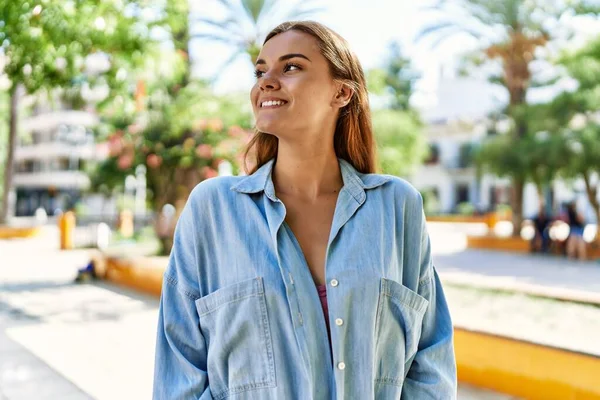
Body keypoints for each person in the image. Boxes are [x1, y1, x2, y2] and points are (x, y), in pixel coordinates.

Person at [153, 21, 457, 399]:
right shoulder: (212, 210)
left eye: (291, 67)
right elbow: (179, 372)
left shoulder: (398, 207)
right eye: (260, 71)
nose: (266, 81)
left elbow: (432, 364)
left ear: (342, 93)